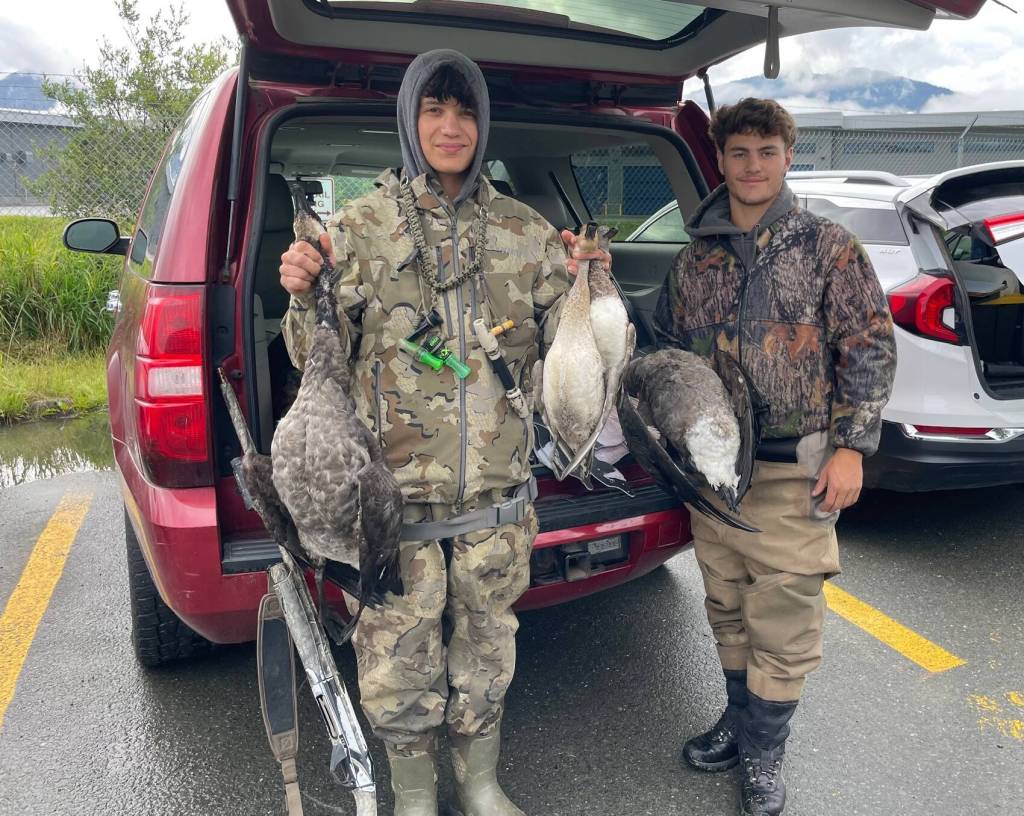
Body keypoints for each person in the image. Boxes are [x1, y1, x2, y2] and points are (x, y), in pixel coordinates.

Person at [278, 49, 605, 816]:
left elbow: (569, 350)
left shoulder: (527, 233)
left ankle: (482, 785)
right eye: (434, 109)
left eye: (464, 111)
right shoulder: (355, 231)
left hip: (496, 504)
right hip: (394, 511)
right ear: (409, 118)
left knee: (488, 655)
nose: (451, 127)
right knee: (396, 665)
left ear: (483, 123)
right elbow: (311, 359)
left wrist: (592, 280)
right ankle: (417, 799)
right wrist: (299, 295)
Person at [654, 98, 896, 816]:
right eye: (738, 153)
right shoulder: (694, 258)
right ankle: (739, 719)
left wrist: (853, 448)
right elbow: (667, 349)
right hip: (716, 473)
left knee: (784, 614)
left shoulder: (828, 246)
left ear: (789, 156)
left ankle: (764, 752)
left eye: (766, 151)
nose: (752, 166)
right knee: (726, 604)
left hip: (796, 467)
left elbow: (869, 346)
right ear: (721, 162)